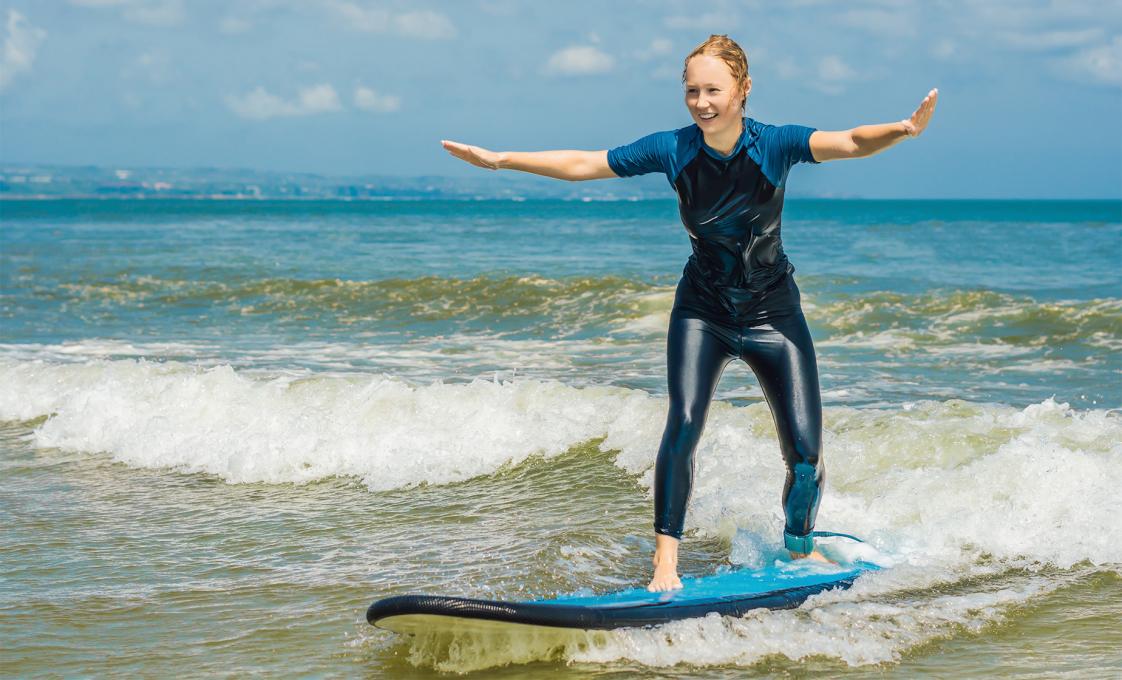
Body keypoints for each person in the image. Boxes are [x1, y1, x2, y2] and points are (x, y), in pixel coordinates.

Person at [441, 34, 937, 592]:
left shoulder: (775, 145)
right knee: (682, 424)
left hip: (775, 315)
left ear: (743, 91)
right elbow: (585, 163)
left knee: (804, 458)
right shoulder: (673, 148)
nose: (702, 102)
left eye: (713, 90)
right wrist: (502, 159)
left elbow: (847, 140)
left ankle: (800, 549)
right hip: (702, 311)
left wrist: (902, 129)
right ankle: (665, 564)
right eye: (692, 90)